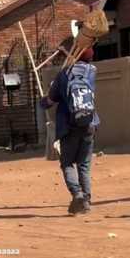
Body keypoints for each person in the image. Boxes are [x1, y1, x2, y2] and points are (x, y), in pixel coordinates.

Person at [41, 48, 99, 215]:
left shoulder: (64, 74)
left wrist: (44, 100)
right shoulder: (92, 71)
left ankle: (77, 194)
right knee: (84, 164)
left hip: (68, 126)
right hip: (89, 123)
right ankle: (86, 201)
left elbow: (50, 101)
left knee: (67, 163)